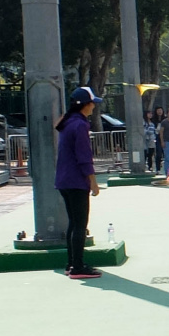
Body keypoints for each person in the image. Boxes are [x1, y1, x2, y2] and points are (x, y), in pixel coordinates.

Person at [55, 86, 102, 278]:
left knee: (73, 223)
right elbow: (84, 156)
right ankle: (78, 266)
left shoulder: (68, 123)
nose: (94, 107)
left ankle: (72, 263)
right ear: (85, 105)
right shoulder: (80, 125)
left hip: (64, 180)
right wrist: (93, 182)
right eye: (92, 103)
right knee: (80, 224)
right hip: (76, 181)